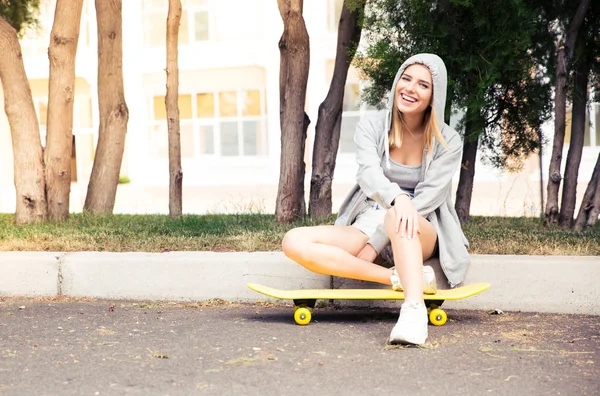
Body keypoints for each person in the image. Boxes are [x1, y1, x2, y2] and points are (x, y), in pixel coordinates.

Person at [282, 53, 470, 345]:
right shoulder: (372, 126)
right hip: (370, 218)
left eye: (423, 85)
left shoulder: (448, 141)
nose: (410, 88)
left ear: (435, 95)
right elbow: (369, 175)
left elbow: (429, 197)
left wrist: (374, 244)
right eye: (405, 79)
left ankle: (413, 311)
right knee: (293, 240)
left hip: (421, 225)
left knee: (398, 216)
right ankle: (398, 279)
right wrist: (396, 199)